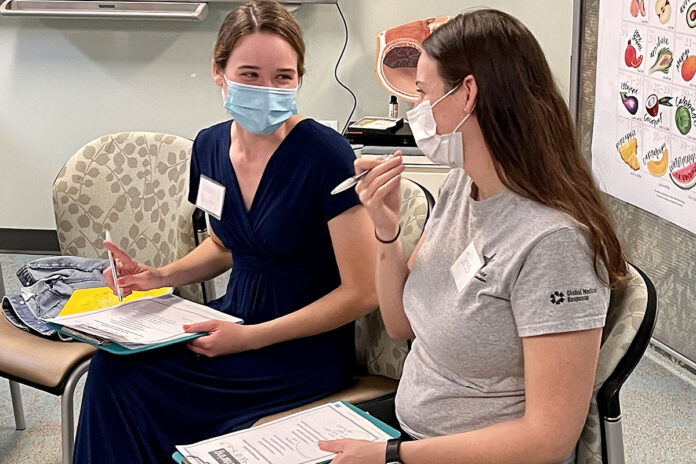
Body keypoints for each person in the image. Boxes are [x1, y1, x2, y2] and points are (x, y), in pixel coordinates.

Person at [72, 1, 377, 462]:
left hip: (301, 347)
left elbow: (363, 292)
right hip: (232, 318)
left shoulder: (326, 155)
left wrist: (252, 338)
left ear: (299, 78)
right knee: (114, 366)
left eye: (283, 77)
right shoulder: (210, 145)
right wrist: (158, 277)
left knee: (140, 389)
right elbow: (224, 243)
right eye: (250, 74)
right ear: (219, 72)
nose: (267, 89)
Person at [318, 9, 627, 464]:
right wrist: (386, 231)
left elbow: (549, 439)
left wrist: (391, 456)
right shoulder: (467, 184)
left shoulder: (555, 242)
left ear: (467, 94)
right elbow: (402, 324)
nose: (415, 112)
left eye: (422, 94)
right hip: (414, 433)